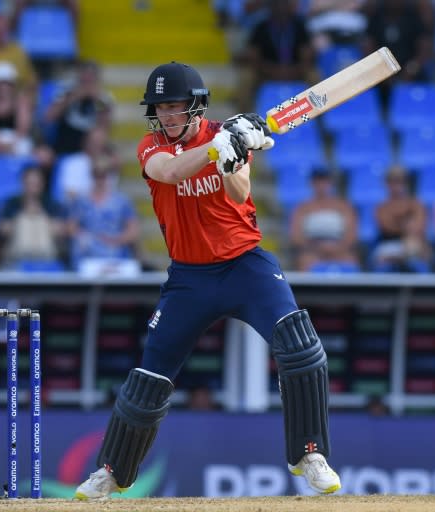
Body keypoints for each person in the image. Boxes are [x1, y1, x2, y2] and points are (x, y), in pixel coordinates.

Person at [74, 61, 340, 500]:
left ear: (196, 107)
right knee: (150, 375)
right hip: (189, 278)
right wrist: (219, 147)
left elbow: (239, 192)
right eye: (160, 108)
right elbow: (172, 172)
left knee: (301, 348)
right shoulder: (150, 146)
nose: (167, 116)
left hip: (244, 267)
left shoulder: (227, 137)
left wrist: (233, 155)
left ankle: (309, 454)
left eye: (175, 106)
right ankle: (112, 472)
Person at [66, 163, 140, 271]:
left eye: (103, 175)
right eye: (96, 175)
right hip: (89, 251)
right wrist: (83, 236)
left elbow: (133, 230)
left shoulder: (121, 201)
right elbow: (71, 226)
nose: (99, 180)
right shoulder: (82, 200)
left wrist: (116, 240)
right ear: (91, 176)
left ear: (109, 176)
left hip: (115, 251)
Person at [289, 166, 360, 271]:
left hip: (340, 250)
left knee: (351, 262)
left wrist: (337, 249)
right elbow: (296, 237)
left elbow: (352, 235)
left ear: (330, 183)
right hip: (312, 251)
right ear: (312, 184)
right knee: (305, 262)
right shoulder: (302, 208)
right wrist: (318, 248)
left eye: (324, 181)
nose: (321, 186)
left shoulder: (344, 207)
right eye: (317, 182)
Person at [0, 165, 66, 267]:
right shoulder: (12, 204)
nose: (32, 187)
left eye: (36, 184)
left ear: (42, 184)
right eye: (29, 183)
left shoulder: (51, 204)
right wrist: (24, 213)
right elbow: (4, 230)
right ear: (23, 184)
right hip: (18, 257)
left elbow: (59, 230)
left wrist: (40, 213)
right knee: (23, 221)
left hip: (47, 259)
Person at [45, 60, 114, 156]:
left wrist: (96, 101)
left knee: (98, 136)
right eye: (84, 79)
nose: (87, 83)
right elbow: (49, 117)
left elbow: (104, 125)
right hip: (65, 136)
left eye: (90, 80)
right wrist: (73, 98)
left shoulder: (102, 98)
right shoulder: (66, 90)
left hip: (88, 140)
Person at [370, 164, 429, 272]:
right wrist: (406, 223)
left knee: (417, 247)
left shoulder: (415, 204)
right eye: (392, 181)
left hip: (413, 243)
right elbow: (387, 226)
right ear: (386, 183)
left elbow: (418, 226)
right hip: (388, 244)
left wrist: (398, 222)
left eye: (401, 181)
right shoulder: (381, 207)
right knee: (382, 257)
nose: (396, 185)